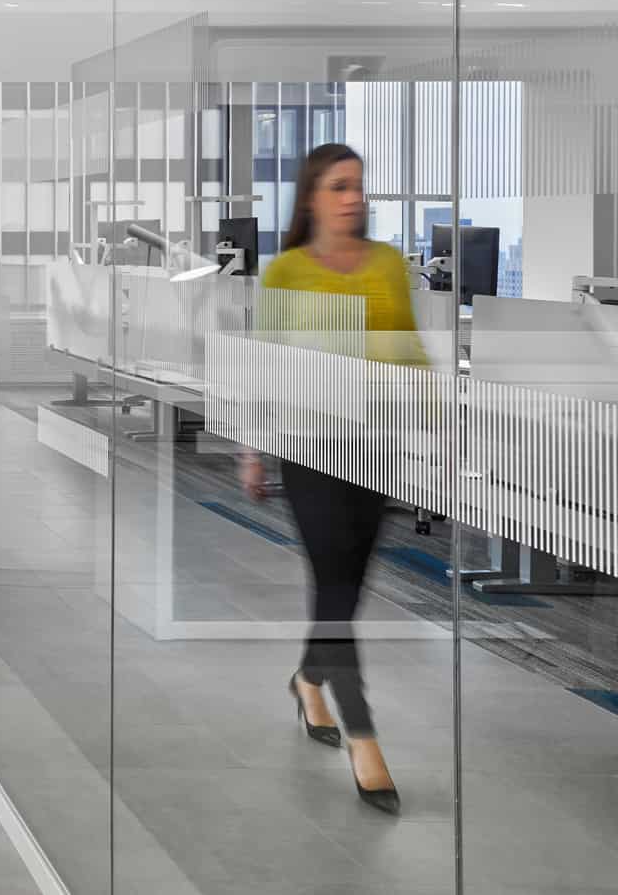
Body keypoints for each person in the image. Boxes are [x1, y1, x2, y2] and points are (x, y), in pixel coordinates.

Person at [241, 142, 422, 816]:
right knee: (334, 583)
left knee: (349, 586)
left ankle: (308, 677)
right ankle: (365, 737)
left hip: (378, 444)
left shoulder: (386, 264)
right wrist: (253, 450)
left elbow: (408, 351)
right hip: (309, 445)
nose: (354, 197)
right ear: (312, 195)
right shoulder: (286, 271)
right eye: (340, 186)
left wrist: (437, 432)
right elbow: (264, 365)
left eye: (359, 186)